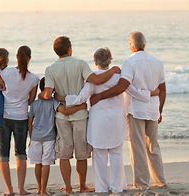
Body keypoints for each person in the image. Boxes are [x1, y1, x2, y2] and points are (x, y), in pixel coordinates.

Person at [55, 47, 159, 193]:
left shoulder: (92, 79)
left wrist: (62, 98)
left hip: (99, 121)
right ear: (110, 60)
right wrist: (152, 93)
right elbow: (135, 93)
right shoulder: (119, 77)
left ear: (95, 61)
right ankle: (117, 187)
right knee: (117, 154)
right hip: (116, 119)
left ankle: (102, 187)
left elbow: (81, 98)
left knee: (99, 155)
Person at [39, 36, 120, 194]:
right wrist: (113, 70)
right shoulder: (80, 64)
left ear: (56, 52)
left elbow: (48, 93)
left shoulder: (50, 69)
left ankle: (68, 187)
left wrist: (49, 97)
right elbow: (95, 80)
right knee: (81, 153)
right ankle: (82, 185)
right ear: (70, 49)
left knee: (64, 153)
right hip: (81, 115)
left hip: (62, 117)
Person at [90, 32, 167, 189]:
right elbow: (163, 89)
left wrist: (100, 97)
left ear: (132, 45)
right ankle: (160, 181)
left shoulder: (130, 63)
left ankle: (142, 183)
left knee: (137, 147)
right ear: (144, 44)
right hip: (152, 109)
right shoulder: (157, 62)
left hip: (136, 110)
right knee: (153, 146)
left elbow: (122, 86)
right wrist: (160, 109)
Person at [0, 45, 39, 195]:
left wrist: (2, 87)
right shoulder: (34, 78)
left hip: (4, 119)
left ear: (16, 57)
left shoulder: (6, 72)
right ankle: (21, 190)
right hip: (21, 118)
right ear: (29, 58)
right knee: (21, 153)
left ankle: (9, 191)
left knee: (3, 154)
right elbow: (30, 101)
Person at [28, 77, 87, 196]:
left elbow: (29, 121)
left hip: (35, 137)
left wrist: (30, 136)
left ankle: (39, 188)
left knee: (37, 163)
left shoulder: (34, 104)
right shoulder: (53, 102)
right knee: (46, 163)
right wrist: (80, 107)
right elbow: (65, 111)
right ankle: (44, 190)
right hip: (49, 137)